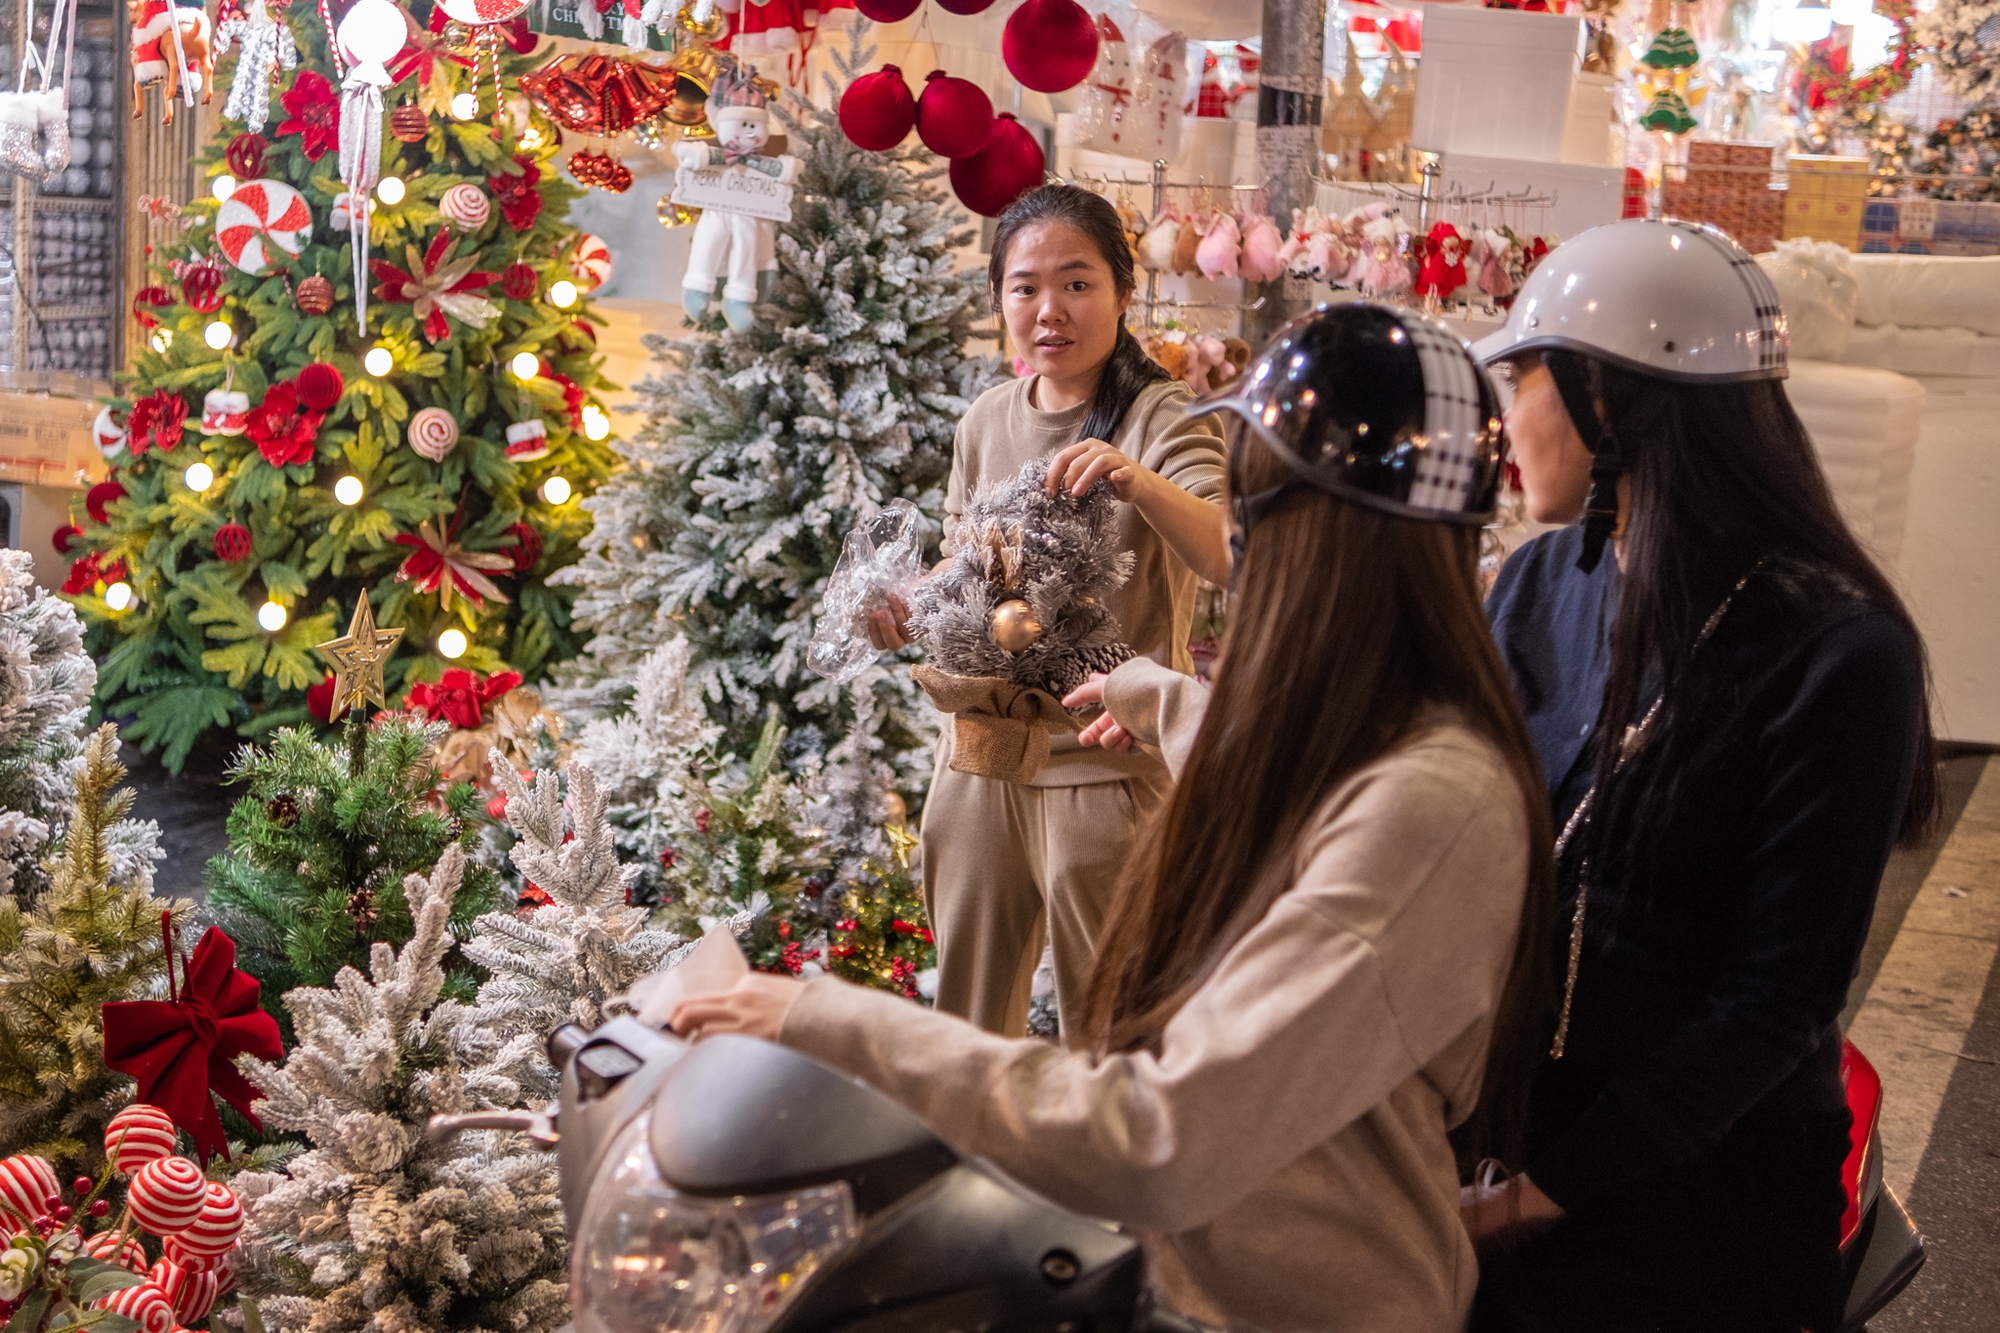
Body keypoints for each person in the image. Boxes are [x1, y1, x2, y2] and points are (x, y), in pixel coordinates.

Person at [673, 305, 1558, 1333]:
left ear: (1326, 544)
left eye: (1255, 513)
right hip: (1183, 1282)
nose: (1237, 546)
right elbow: (1293, 780)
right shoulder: (1366, 728)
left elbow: (1155, 1133)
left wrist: (812, 1016)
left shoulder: (1434, 801)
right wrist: (1153, 697)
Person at [1463, 219, 1939, 1333]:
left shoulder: (1838, 650)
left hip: (1701, 1193)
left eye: (1523, 374)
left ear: (1608, 399)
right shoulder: (1541, 578)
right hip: (1513, 1136)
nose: (1504, 417)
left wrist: (1549, 1192)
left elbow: (1772, 1002)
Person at [865, 184, 1230, 1043]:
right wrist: (905, 608)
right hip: (980, 761)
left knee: (1114, 1034)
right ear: (1000, 300)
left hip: (1102, 769)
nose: (1048, 309)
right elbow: (971, 574)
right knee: (964, 1029)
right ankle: (968, 1175)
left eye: (1076, 282)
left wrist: (1137, 478)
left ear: (1122, 294)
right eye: (1024, 287)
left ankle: (1102, 1183)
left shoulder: (1160, 414)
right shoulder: (988, 417)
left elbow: (1230, 550)